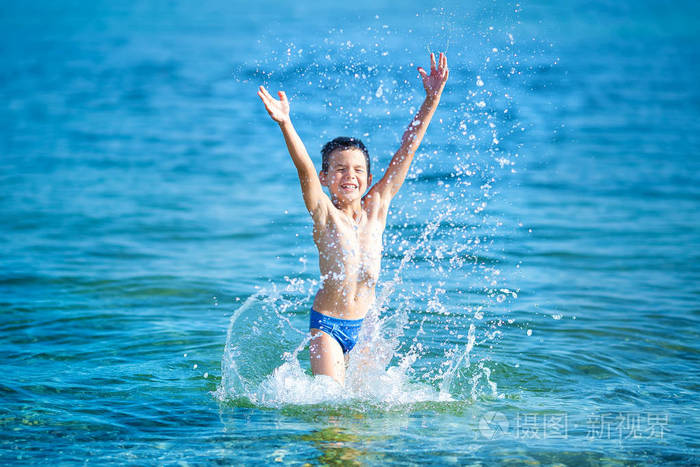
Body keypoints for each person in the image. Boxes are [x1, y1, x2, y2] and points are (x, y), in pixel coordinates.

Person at [257, 52, 449, 385]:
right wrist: (286, 124)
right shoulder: (324, 214)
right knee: (331, 409)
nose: (350, 176)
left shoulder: (378, 206)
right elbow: (303, 169)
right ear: (326, 177)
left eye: (358, 170)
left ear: (369, 176)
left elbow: (408, 148)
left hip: (367, 327)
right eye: (340, 169)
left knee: (367, 414)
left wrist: (431, 99)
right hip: (328, 327)